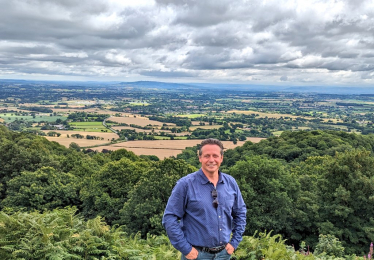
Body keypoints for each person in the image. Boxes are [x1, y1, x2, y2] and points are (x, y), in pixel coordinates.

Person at [162, 138, 247, 260]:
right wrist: (186, 249)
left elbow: (240, 213)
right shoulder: (185, 184)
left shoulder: (231, 183)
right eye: (207, 156)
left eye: (215, 156)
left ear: (221, 158)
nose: (211, 160)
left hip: (224, 254)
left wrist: (234, 243)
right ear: (200, 158)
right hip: (196, 255)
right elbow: (169, 218)